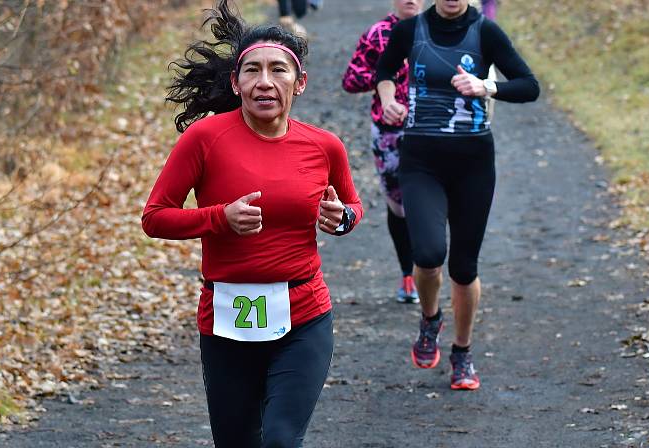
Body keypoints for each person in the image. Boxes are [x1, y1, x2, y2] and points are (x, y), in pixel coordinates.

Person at [142, 1, 364, 446]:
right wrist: (218, 219)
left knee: (281, 440)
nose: (265, 82)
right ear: (235, 82)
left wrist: (341, 219)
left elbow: (351, 208)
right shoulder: (204, 139)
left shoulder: (324, 146)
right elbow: (155, 218)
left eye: (278, 70)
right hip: (226, 318)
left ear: (299, 83)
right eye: (253, 71)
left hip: (303, 314)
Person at [376, 0, 539, 390]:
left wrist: (486, 86)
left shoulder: (486, 32)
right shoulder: (409, 30)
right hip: (420, 161)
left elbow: (529, 86)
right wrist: (388, 100)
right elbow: (384, 70)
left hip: (473, 165)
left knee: (464, 268)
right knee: (428, 255)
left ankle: (462, 352)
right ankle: (430, 320)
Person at [341, 0, 425, 304]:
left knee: (432, 200)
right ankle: (407, 274)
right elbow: (350, 80)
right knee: (399, 206)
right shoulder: (377, 34)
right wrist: (385, 72)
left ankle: (428, 269)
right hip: (389, 134)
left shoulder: (436, 31)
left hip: (432, 129)